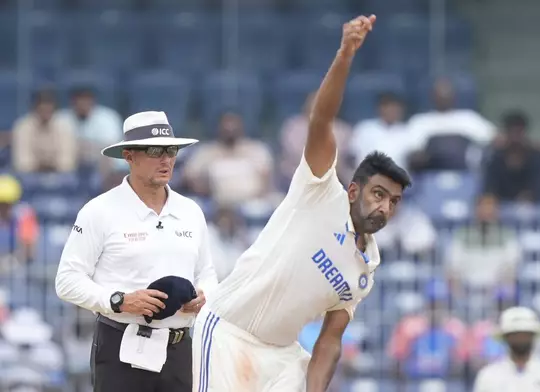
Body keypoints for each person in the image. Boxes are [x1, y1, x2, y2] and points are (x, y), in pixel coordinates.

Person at [192, 14, 411, 392]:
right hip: (229, 331)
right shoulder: (320, 190)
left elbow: (329, 342)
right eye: (379, 194)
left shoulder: (366, 268)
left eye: (393, 201)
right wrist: (345, 54)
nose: (385, 208)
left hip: (281, 356)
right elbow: (321, 119)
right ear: (354, 190)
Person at [55, 111, 217, 392]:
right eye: (155, 151)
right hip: (120, 346)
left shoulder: (191, 211)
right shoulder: (99, 211)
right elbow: (67, 281)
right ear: (129, 156)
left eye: (171, 150)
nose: (166, 159)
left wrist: (205, 296)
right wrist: (118, 300)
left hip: (179, 348)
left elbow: (208, 273)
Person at [473, 307, 540, 392]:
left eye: (525, 334)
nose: (520, 339)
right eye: (515, 334)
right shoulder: (488, 376)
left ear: (533, 336)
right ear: (506, 337)